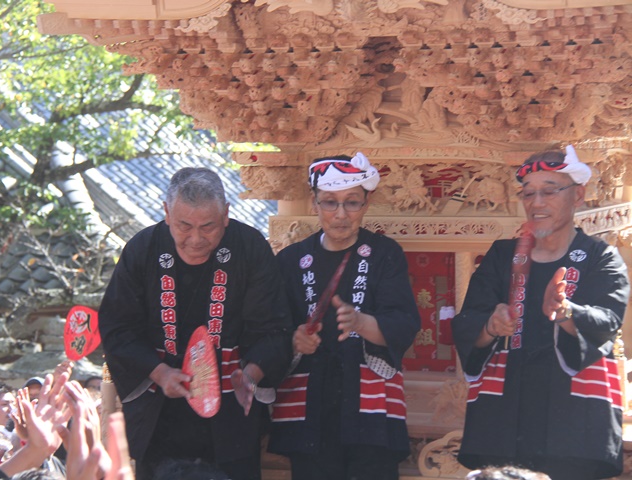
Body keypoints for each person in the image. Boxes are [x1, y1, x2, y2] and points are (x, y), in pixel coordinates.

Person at [99, 167, 293, 479]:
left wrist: (251, 374)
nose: (196, 239)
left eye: (208, 227)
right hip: (160, 414)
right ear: (166, 213)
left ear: (226, 214)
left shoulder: (249, 247)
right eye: (184, 226)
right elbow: (117, 327)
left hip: (230, 413)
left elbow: (275, 327)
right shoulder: (143, 249)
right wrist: (160, 372)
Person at [452, 146, 630, 479]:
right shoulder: (502, 256)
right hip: (504, 419)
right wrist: (490, 325)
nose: (537, 202)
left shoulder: (601, 257)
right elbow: (467, 321)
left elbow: (608, 321)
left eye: (549, 191)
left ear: (578, 195)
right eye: (528, 193)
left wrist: (566, 312)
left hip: (573, 425)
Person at [268, 153, 421, 480]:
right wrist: (295, 340)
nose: (340, 214)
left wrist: (361, 323)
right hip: (309, 407)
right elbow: (270, 331)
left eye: (351, 202)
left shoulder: (384, 254)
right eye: (329, 202)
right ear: (314, 203)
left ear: (366, 203)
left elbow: (405, 323)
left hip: (370, 410)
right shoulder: (291, 260)